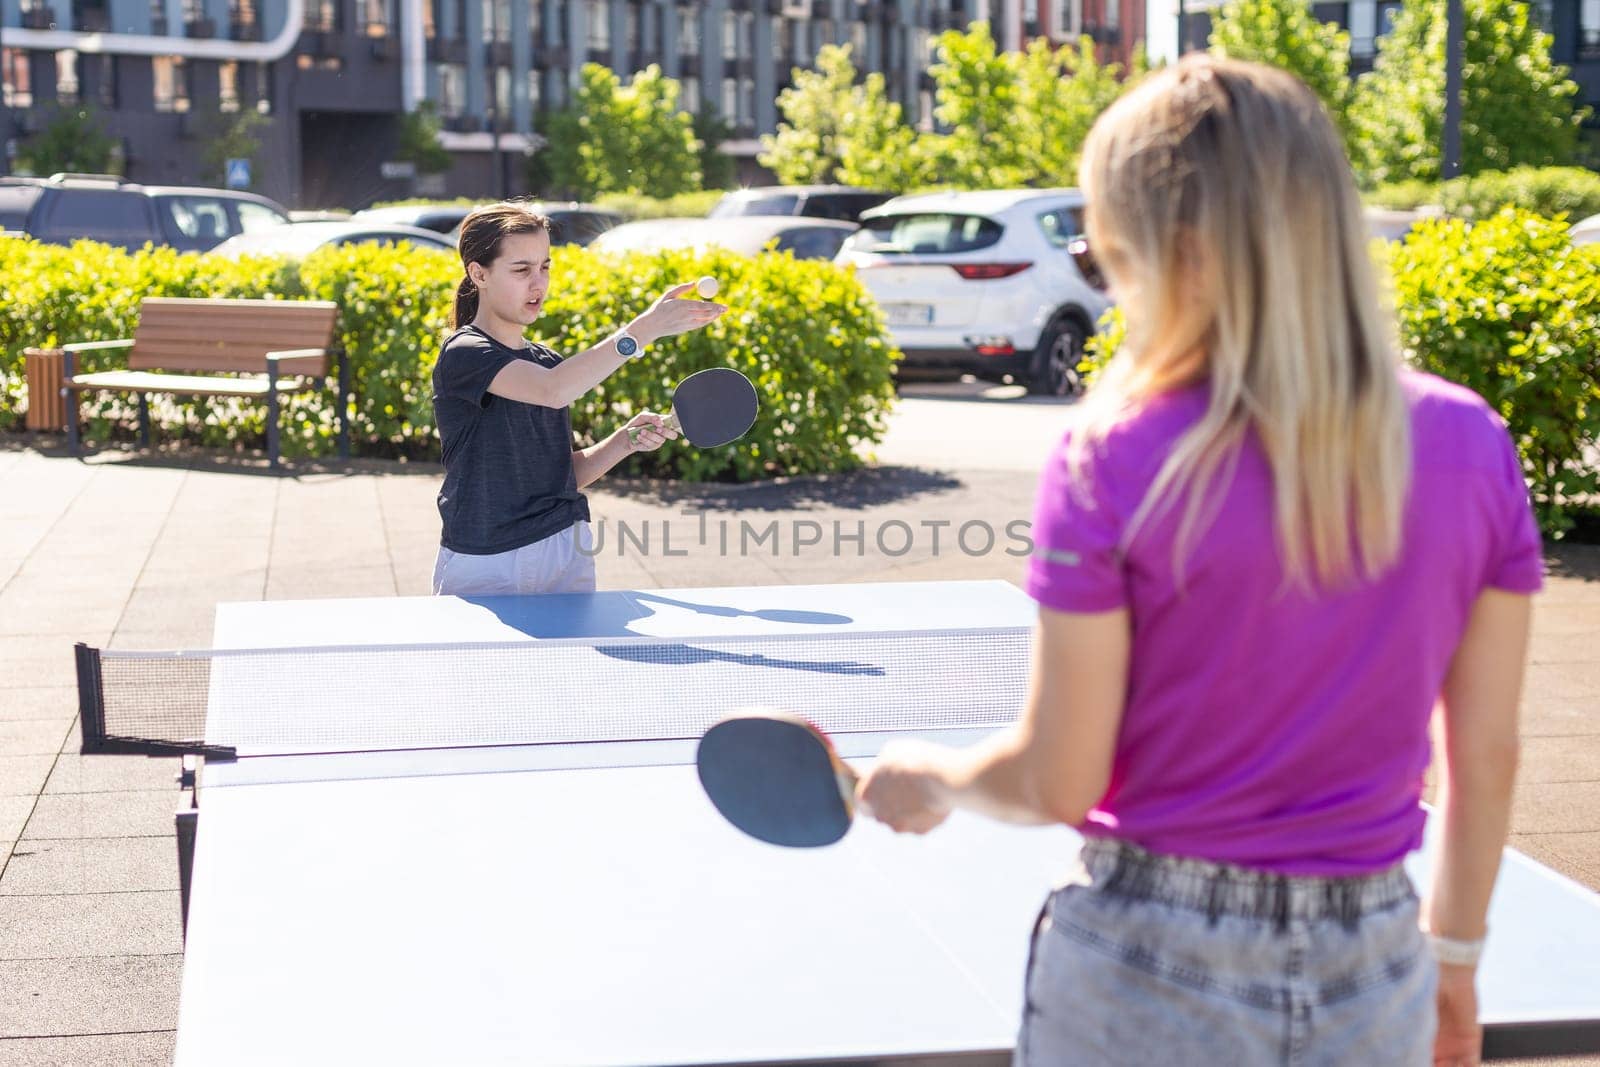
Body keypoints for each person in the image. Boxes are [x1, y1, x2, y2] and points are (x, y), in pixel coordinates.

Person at [857, 56, 1541, 1067]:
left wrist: (930, 777)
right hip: (1375, 959)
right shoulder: (1472, 441)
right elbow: (1483, 757)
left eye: (1100, 252)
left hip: (1144, 964)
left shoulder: (1113, 455)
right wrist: (1454, 957)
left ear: (1160, 251)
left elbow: (1056, 776)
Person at [431, 202, 725, 596]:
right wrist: (647, 328)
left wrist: (624, 440)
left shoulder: (546, 362)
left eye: (545, 267)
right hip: (486, 559)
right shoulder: (465, 352)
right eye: (521, 270)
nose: (538, 283)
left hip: (563, 546)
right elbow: (554, 391)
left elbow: (559, 474)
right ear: (478, 273)